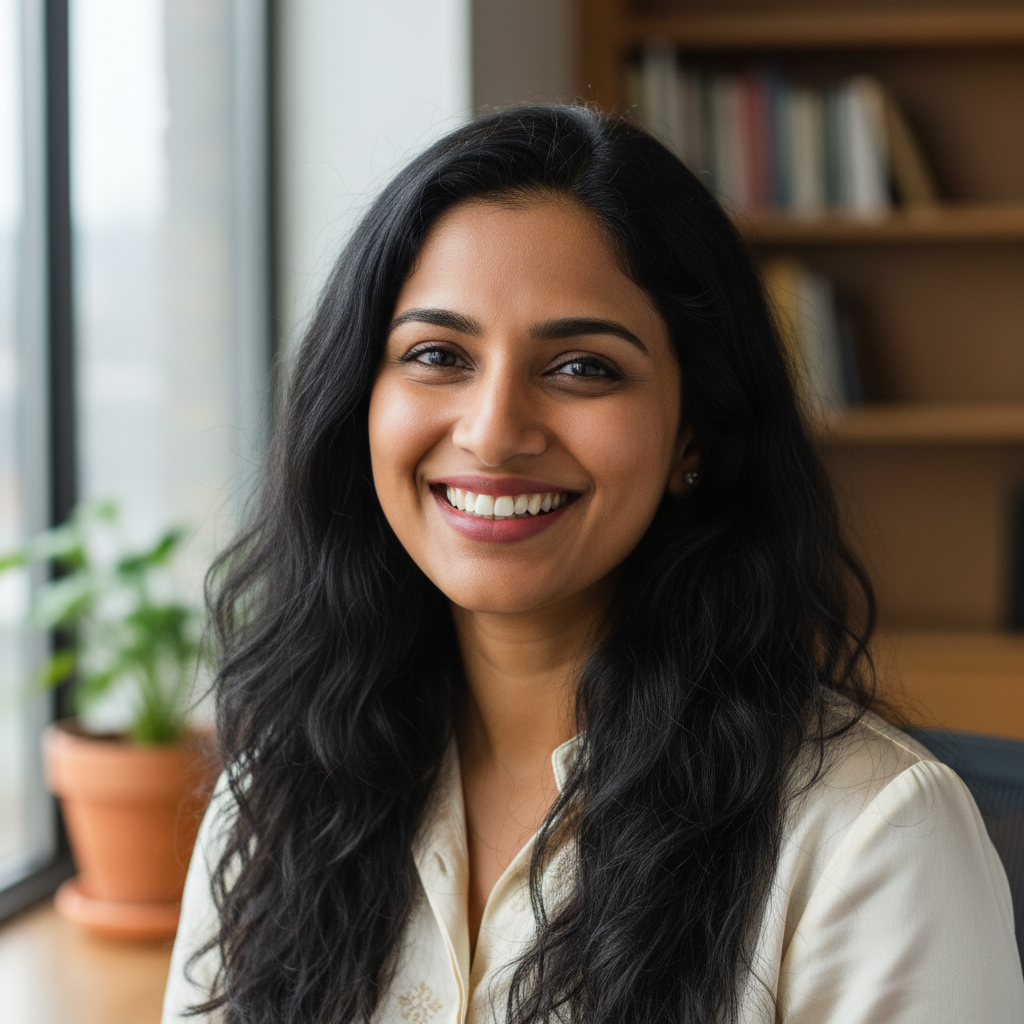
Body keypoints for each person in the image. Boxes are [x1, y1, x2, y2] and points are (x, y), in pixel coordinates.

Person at [162, 106, 1023, 1024]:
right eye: (437, 355)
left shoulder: (871, 838)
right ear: (359, 405)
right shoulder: (281, 790)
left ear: (697, 428)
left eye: (581, 368)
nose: (493, 432)